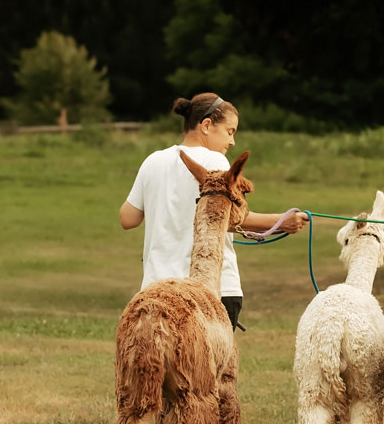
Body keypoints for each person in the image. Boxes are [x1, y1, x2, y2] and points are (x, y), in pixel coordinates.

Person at [119, 92, 308, 330]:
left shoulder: (153, 161)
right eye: (230, 131)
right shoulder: (216, 163)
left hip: (156, 292)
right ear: (207, 125)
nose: (232, 142)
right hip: (210, 293)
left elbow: (128, 218)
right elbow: (229, 216)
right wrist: (282, 222)